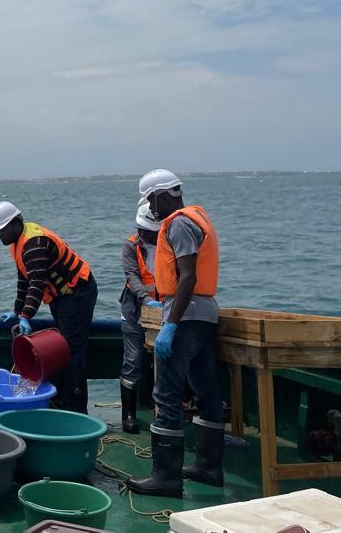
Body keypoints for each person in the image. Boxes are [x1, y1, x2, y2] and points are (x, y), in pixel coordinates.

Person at [127, 169, 223, 498]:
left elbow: (188, 277)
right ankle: (209, 467)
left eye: (151, 200)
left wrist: (171, 324)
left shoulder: (179, 223)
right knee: (206, 391)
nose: (151, 208)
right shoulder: (199, 217)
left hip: (185, 316)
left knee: (166, 393)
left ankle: (166, 477)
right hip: (205, 314)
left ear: (163, 195)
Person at [0, 201, 98, 413]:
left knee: (72, 353)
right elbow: (24, 280)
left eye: (2, 230)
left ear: (15, 224)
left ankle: (77, 411)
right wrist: (17, 311)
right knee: (62, 349)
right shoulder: (17, 243)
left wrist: (26, 317)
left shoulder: (34, 244)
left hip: (77, 293)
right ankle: (61, 402)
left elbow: (36, 284)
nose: (0, 235)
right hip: (60, 297)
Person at [118, 199, 163, 433]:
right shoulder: (130, 247)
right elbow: (132, 276)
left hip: (163, 312)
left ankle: (166, 411)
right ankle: (128, 415)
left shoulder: (168, 244)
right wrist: (146, 299)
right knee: (133, 361)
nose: (147, 235)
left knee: (166, 361)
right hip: (134, 312)